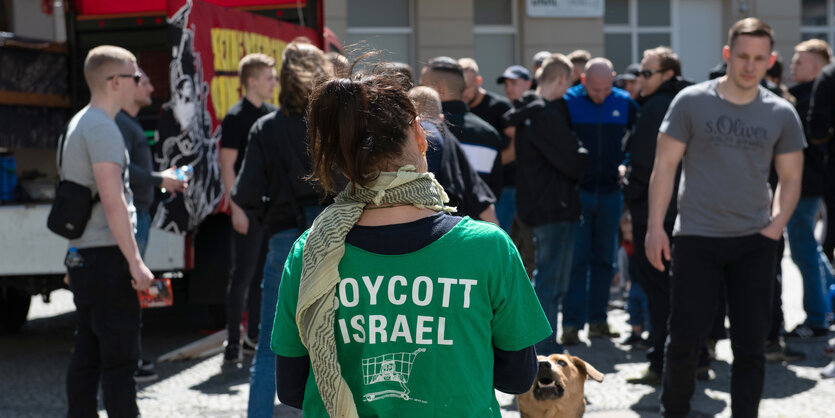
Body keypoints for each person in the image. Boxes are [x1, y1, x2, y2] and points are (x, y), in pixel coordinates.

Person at [270, 65, 551, 417]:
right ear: (421, 137)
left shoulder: (311, 252)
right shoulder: (488, 247)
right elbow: (517, 378)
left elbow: (293, 389)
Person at [646, 18, 805, 417]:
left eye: (758, 58)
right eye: (742, 57)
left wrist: (775, 227)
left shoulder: (781, 113)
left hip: (755, 242)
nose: (750, 66)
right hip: (696, 237)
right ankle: (675, 412)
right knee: (683, 340)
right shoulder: (691, 102)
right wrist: (654, 228)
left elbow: (791, 178)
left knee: (750, 347)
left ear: (769, 60)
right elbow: (664, 167)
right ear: (727, 55)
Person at [232, 42, 331, 418]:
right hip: (333, 237)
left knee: (270, 344)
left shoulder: (265, 127)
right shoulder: (329, 123)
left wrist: (271, 214)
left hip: (285, 237)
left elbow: (246, 193)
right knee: (335, 339)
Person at [63, 45, 154, 418]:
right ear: (115, 82)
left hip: (87, 253)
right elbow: (112, 199)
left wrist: (71, 253)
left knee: (87, 354)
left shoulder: (80, 122)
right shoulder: (102, 128)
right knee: (119, 363)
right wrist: (135, 261)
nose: (139, 82)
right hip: (107, 256)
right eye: (134, 76)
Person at [503, 53, 588, 355]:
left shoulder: (530, 110)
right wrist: (581, 153)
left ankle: (541, 344)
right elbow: (575, 161)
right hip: (554, 208)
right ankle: (543, 348)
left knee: (546, 280)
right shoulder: (544, 115)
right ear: (562, 78)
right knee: (551, 282)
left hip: (541, 207)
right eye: (570, 83)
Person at [622, 46, 691, 385]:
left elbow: (649, 167)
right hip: (683, 213)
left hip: (656, 214)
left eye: (647, 73)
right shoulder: (686, 103)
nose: (640, 79)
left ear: (667, 75)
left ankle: (661, 364)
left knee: (661, 292)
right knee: (682, 291)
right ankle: (695, 358)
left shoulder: (656, 109)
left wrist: (629, 191)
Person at [115, 68, 186, 383]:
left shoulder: (127, 123)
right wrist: (160, 179)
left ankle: (130, 358)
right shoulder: (119, 123)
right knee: (131, 286)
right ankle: (129, 360)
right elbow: (123, 171)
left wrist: (161, 179)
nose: (151, 87)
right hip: (134, 214)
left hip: (141, 211)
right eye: (144, 82)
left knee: (133, 287)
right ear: (125, 85)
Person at [561, 58, 638, 345]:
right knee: (577, 260)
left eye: (607, 89)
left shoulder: (625, 102)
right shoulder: (568, 102)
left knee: (605, 260)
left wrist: (626, 164)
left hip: (610, 193)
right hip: (578, 193)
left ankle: (598, 321)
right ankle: (570, 324)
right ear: (583, 81)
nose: (602, 95)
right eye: (595, 90)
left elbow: (638, 139)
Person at [219, 53, 278, 363]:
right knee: (241, 275)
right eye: (270, 78)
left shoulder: (272, 114)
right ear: (252, 81)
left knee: (262, 276)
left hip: (269, 209)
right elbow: (226, 165)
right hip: (247, 208)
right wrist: (236, 208)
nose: (275, 83)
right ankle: (232, 342)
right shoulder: (235, 116)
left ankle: (253, 337)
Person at [784, 39, 835, 341]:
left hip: (804, 184)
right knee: (811, 249)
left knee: (804, 251)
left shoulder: (812, 98)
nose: (792, 66)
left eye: (799, 62)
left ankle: (817, 318)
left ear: (817, 67)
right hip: (809, 183)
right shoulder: (804, 96)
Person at [421, 57, 504, 203]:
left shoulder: (424, 132)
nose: (419, 89)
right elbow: (494, 192)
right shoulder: (490, 134)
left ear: (440, 90)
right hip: (478, 223)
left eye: (423, 85)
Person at [408, 85, 498, 221]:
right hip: (442, 226)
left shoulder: (398, 138)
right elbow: (480, 199)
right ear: (441, 117)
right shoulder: (447, 140)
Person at [459, 58, 515, 232]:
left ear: (479, 82)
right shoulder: (458, 108)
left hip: (501, 187)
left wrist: (490, 165)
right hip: (466, 188)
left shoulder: (500, 107)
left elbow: (516, 146)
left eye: (467, 87)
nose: (464, 94)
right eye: (460, 88)